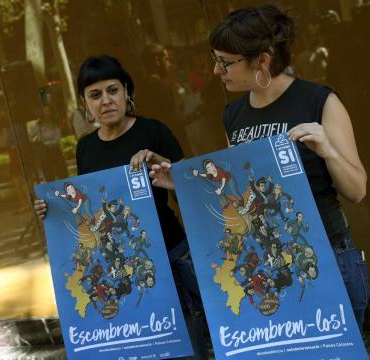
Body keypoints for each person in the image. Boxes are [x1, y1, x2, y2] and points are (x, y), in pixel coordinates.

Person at [149, 4, 368, 331]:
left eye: (225, 62)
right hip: (267, 268)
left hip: (325, 261)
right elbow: (237, 197)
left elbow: (357, 189)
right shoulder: (233, 115)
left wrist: (328, 150)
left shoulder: (318, 101)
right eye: (215, 60)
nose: (216, 71)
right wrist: (182, 183)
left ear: (262, 60)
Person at [34, 55, 208, 359]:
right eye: (95, 95)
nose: (106, 101)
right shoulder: (85, 147)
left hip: (170, 256)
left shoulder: (153, 132)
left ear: (127, 91)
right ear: (84, 103)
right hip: (122, 266)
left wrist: (169, 174)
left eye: (112, 90)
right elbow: (90, 210)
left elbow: (194, 195)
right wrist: (54, 212)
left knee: (187, 348)